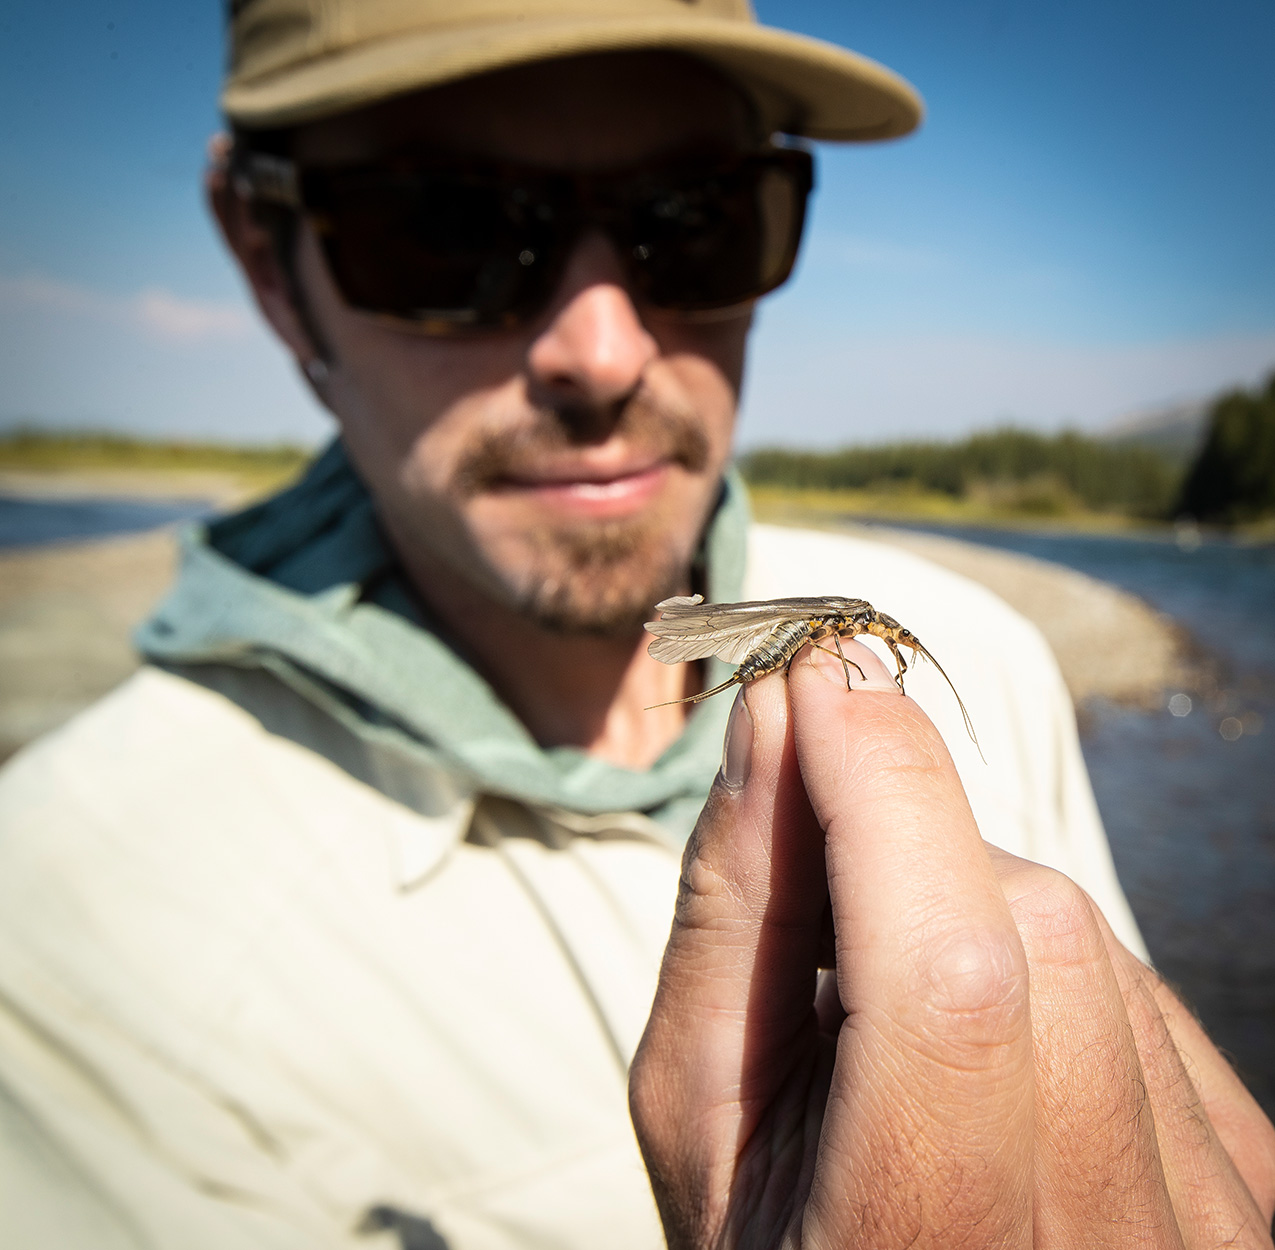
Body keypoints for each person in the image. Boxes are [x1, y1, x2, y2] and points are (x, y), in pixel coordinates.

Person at [0, 2, 1270, 1247]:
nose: (602, 350)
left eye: (696, 219)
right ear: (269, 260)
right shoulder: (53, 941)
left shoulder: (984, 652)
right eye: (446, 227)